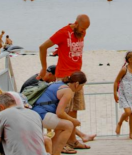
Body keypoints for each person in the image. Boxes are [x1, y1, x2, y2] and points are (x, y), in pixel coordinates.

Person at [38, 15, 95, 147]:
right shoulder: (63, 33)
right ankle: (60, 144)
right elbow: (42, 47)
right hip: (64, 76)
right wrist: (43, 68)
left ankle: (72, 141)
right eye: (82, 28)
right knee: (62, 112)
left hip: (78, 76)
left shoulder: (81, 31)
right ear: (76, 23)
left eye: (86, 29)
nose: (83, 32)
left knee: (74, 109)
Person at [31, 71, 88, 155]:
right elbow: (60, 112)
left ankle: (52, 153)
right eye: (82, 86)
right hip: (41, 114)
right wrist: (74, 120)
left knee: (61, 127)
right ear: (77, 84)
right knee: (68, 125)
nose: (81, 88)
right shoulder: (68, 91)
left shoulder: (59, 84)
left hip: (36, 112)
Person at [113, 51, 132, 139]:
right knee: (128, 112)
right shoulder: (124, 70)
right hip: (123, 94)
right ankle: (120, 123)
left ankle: (131, 134)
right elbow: (116, 82)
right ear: (130, 60)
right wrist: (115, 94)